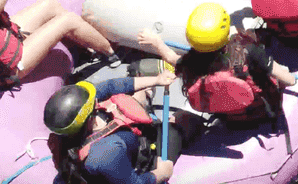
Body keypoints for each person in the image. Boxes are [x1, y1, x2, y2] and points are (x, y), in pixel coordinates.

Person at [137, 3, 297, 125]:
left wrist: (156, 43)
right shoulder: (249, 51)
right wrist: (289, 78)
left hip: (227, 118)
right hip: (260, 112)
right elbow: (288, 80)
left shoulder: (190, 63)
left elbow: (173, 58)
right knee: (274, 66)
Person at [44, 68, 190, 184]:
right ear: (90, 119)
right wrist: (161, 173)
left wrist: (157, 79)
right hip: (136, 161)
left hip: (125, 141)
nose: (96, 100)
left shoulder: (71, 123)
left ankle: (147, 94)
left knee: (138, 93)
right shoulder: (106, 153)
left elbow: (109, 86)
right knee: (181, 120)